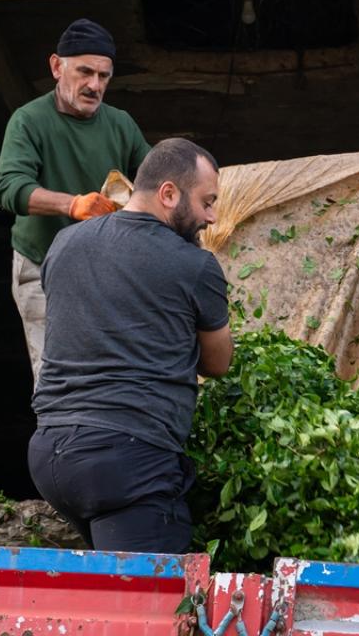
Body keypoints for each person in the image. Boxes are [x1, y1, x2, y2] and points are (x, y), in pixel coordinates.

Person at [26, 137, 234, 553]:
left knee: (111, 595)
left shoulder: (65, 243)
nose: (211, 217)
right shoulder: (194, 265)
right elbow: (218, 363)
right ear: (168, 193)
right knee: (153, 604)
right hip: (128, 458)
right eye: (206, 202)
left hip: (51, 454)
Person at [0, 18, 151, 380]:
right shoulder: (28, 120)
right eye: (84, 72)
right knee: (55, 376)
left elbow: (154, 179)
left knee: (110, 374)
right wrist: (73, 205)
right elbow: (9, 187)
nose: (94, 85)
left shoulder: (121, 124)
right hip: (42, 266)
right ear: (56, 67)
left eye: (104, 76)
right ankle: (57, 437)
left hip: (107, 271)